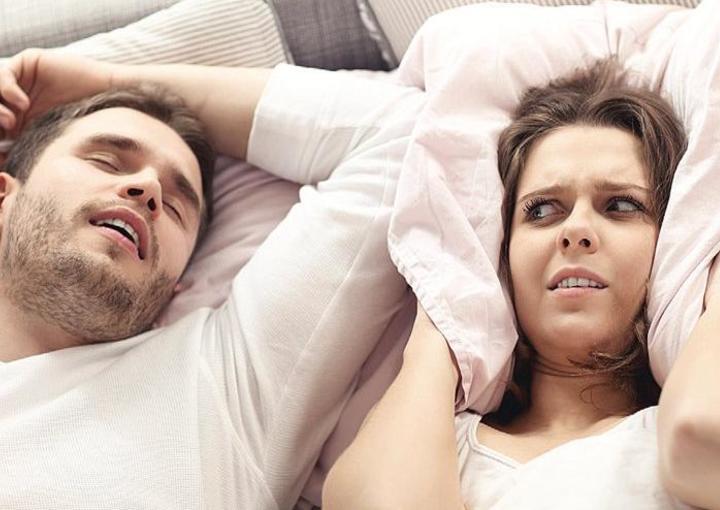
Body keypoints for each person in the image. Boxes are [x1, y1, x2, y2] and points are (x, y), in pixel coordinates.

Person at [0, 49, 425, 509]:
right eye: (106, 161)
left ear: (175, 286)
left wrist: (110, 78)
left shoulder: (223, 385)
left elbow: (403, 136)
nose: (149, 189)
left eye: (176, 208)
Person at [323, 60, 720, 509]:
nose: (576, 230)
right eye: (541, 211)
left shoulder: (678, 427)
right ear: (503, 255)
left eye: (620, 205)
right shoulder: (439, 445)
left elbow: (704, 437)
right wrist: (444, 306)